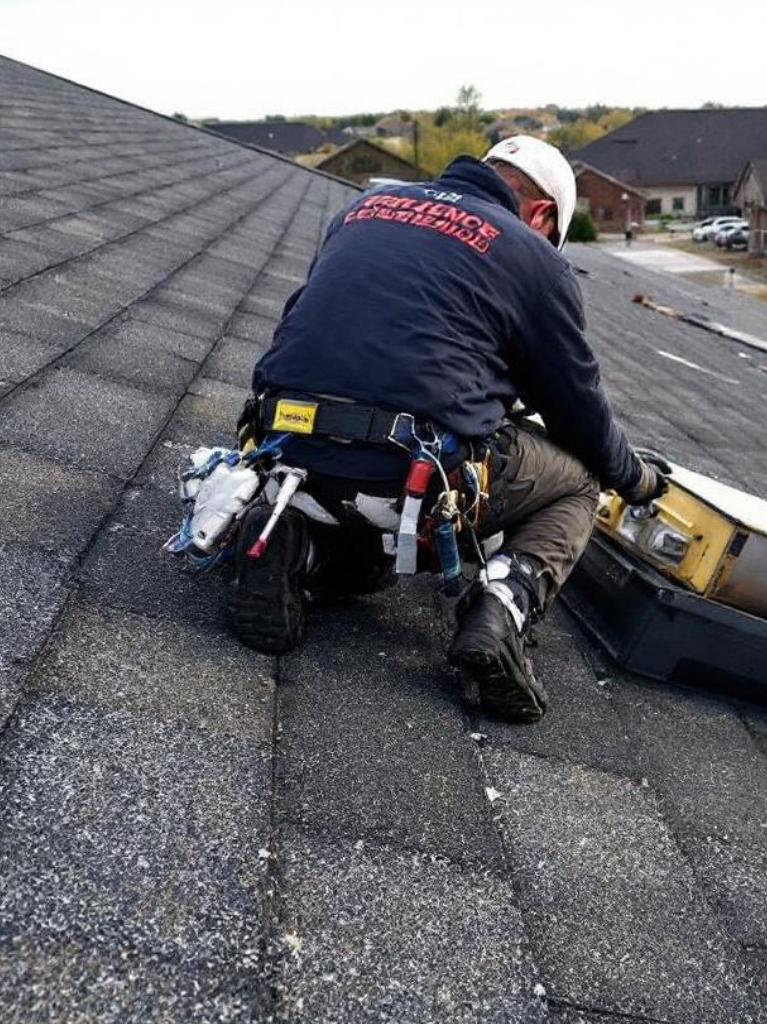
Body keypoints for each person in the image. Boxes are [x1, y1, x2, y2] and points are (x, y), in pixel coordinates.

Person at [234, 136, 666, 723]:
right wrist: (636, 479)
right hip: (408, 470)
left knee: (375, 568)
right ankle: (500, 613)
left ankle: (297, 545)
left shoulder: (360, 211)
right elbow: (578, 413)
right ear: (541, 214)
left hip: (287, 449)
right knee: (579, 482)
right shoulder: (533, 257)